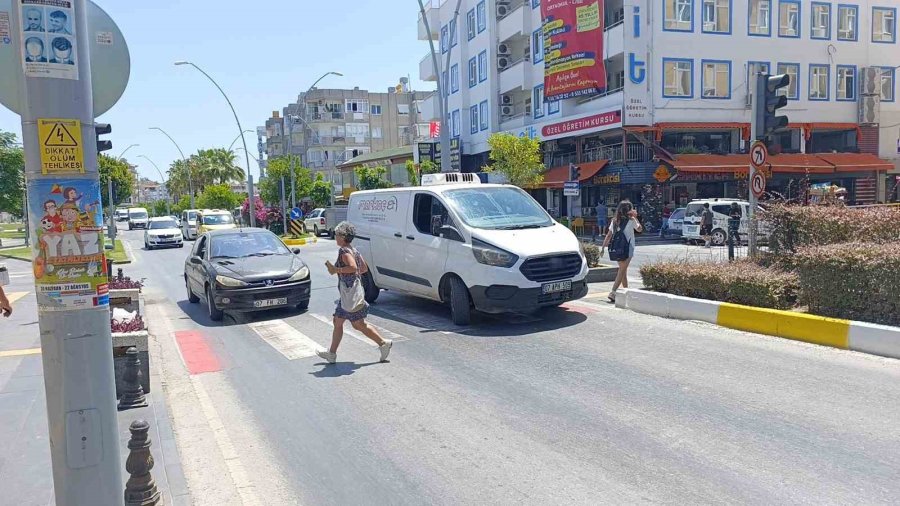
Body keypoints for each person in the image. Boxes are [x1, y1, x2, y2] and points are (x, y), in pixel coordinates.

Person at [317, 221, 392, 364]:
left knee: (357, 324)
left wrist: (337, 270)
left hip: (349, 294)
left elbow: (352, 267)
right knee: (343, 322)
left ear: (343, 236)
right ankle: (332, 353)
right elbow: (363, 268)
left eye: (337, 234)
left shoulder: (344, 251)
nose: (335, 237)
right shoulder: (354, 250)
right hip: (350, 294)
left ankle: (383, 343)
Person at [601, 200, 642, 303]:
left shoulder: (615, 220)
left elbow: (609, 235)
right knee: (622, 271)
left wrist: (602, 247)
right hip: (628, 247)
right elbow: (640, 229)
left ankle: (626, 292)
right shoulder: (631, 220)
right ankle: (613, 292)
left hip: (617, 248)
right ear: (629, 210)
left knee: (623, 270)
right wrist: (635, 217)